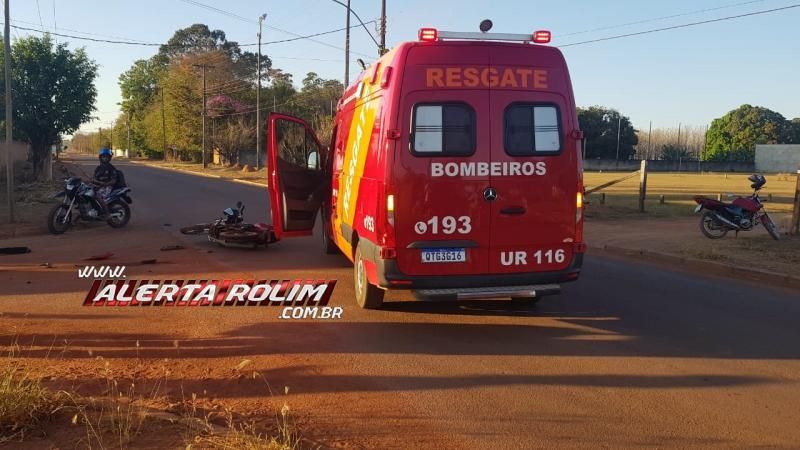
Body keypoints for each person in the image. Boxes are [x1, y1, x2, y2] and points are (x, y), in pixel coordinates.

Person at [93, 148, 118, 214]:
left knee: (97, 196)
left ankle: (107, 214)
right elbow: (94, 178)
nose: (105, 158)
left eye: (107, 157)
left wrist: (104, 184)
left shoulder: (111, 168)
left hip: (108, 187)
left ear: (109, 158)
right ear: (100, 157)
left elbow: (114, 181)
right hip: (99, 186)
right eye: (103, 157)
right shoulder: (98, 168)